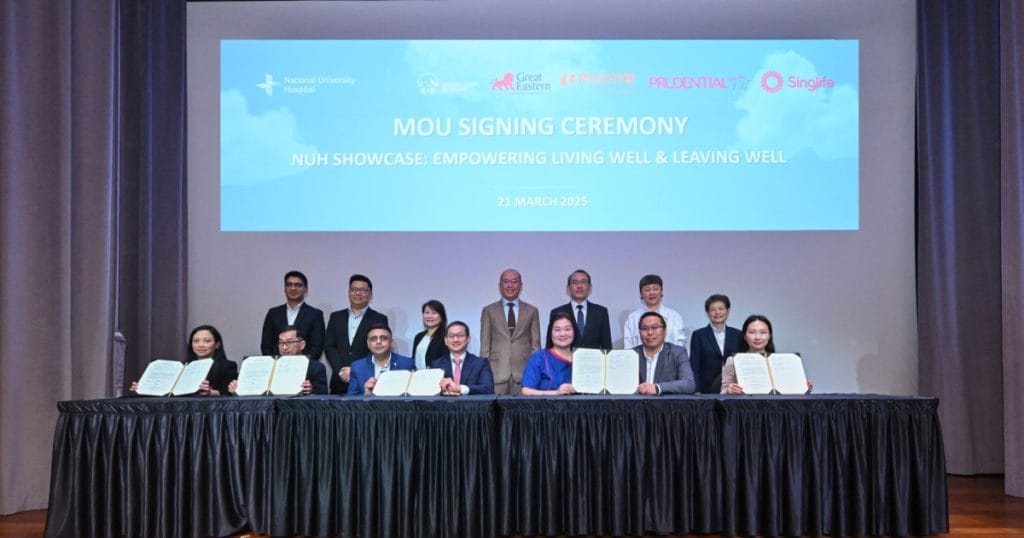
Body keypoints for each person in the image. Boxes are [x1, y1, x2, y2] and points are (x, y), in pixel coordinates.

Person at [129, 324, 238, 396]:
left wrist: (211, 393)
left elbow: (228, 395)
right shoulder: (182, 367)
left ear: (217, 344)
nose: (200, 345)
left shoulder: (228, 366)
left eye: (207, 341)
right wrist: (144, 388)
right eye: (196, 341)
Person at [480, 268, 541, 395]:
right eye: (506, 281)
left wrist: (534, 372)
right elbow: (485, 346)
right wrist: (484, 374)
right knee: (495, 408)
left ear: (521, 285)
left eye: (514, 281)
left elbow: (536, 345)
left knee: (523, 408)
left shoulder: (532, 311)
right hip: (496, 374)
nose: (510, 285)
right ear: (500, 285)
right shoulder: (489, 311)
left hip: (524, 374)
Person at [325, 274, 389, 394]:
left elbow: (378, 348)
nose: (358, 293)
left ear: (370, 294)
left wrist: (355, 370)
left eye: (363, 290)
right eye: (354, 289)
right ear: (349, 292)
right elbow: (329, 347)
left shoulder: (379, 318)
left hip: (366, 380)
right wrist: (341, 370)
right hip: (339, 380)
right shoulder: (336, 317)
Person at [721, 314, 814, 394]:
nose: (758, 337)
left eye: (763, 332)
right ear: (745, 336)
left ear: (769, 335)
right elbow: (722, 392)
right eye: (752, 332)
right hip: (746, 408)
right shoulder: (733, 361)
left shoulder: (783, 362)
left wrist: (803, 388)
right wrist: (729, 390)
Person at [230, 325, 328, 395]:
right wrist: (237, 390)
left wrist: (311, 391)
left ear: (302, 345)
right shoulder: (267, 365)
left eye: (289, 342)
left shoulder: (316, 368)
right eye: (281, 343)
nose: (284, 347)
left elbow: (324, 398)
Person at [259, 270, 326, 360]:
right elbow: (266, 345)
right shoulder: (273, 313)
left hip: (305, 366)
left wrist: (303, 365)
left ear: (306, 289)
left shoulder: (315, 314)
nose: (293, 288)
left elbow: (317, 346)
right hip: (278, 365)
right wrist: (275, 363)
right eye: (289, 285)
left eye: (298, 285)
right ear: (284, 288)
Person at [689, 294, 742, 393]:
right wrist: (697, 390)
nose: (717, 312)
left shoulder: (738, 334)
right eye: (713, 309)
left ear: (728, 311)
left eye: (721, 308)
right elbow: (694, 365)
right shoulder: (699, 335)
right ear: (707, 313)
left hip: (732, 389)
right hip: (706, 389)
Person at [632, 311, 696, 394]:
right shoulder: (631, 354)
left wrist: (658, 388)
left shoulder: (678, 353)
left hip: (665, 402)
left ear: (665, 331)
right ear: (639, 332)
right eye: (644, 328)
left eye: (654, 327)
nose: (650, 332)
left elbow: (689, 384)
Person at [548, 269, 612, 350]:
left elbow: (607, 346)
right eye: (575, 282)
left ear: (590, 287)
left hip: (593, 358)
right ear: (568, 287)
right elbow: (550, 346)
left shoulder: (601, 312)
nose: (579, 286)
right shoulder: (557, 312)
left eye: (583, 282)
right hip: (565, 358)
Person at [347, 324, 415, 396]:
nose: (378, 342)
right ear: (368, 344)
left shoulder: (407, 364)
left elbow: (413, 396)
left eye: (383, 338)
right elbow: (350, 399)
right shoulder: (357, 367)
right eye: (373, 339)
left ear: (391, 342)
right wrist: (366, 395)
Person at [622, 274, 687, 349]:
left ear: (661, 291)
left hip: (670, 356)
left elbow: (680, 343)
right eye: (647, 290)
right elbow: (628, 346)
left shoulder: (674, 316)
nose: (652, 293)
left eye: (655, 289)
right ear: (641, 294)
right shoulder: (632, 318)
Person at [521, 312, 578, 396]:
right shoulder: (539, 358)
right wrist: (556, 393)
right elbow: (526, 391)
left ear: (574, 332)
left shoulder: (582, 359)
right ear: (550, 333)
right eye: (557, 330)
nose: (563, 334)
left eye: (567, 329)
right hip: (546, 404)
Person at [432, 321, 495, 396]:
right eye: (451, 336)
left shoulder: (481, 363)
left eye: (460, 335)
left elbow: (488, 389)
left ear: (468, 339)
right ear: (446, 340)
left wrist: (459, 388)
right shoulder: (436, 364)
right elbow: (431, 392)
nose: (455, 340)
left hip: (472, 404)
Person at [411, 300, 450, 370]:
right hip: (417, 375)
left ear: (442, 316)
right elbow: (413, 359)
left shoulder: (446, 337)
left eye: (434, 313)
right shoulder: (418, 336)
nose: (429, 316)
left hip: (436, 375)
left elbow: (446, 361)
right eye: (427, 313)